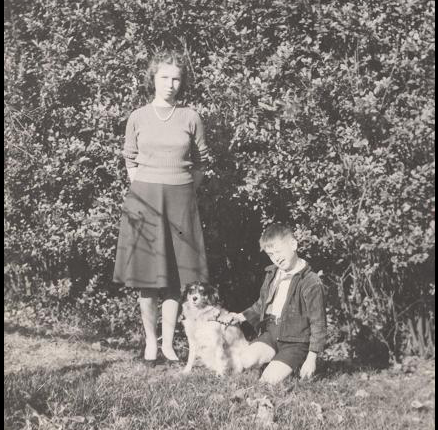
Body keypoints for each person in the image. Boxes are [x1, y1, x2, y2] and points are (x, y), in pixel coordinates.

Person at [113, 49, 209, 365]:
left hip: (181, 201)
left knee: (175, 276)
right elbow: (130, 158)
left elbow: (201, 161)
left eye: (176, 79)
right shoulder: (138, 117)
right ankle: (150, 343)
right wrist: (145, 187)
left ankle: (168, 344)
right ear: (153, 78)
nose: (170, 84)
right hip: (144, 200)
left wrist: (182, 189)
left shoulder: (191, 117)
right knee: (147, 277)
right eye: (164, 77)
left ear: (182, 82)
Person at [222, 223, 326, 384]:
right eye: (271, 254)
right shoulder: (272, 274)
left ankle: (294, 362)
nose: (276, 258)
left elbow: (318, 322)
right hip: (271, 333)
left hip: (295, 341)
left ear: (293, 244)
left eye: (279, 251)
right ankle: (274, 359)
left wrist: (311, 358)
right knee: (245, 361)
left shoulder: (311, 282)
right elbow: (261, 304)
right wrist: (240, 317)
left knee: (268, 381)